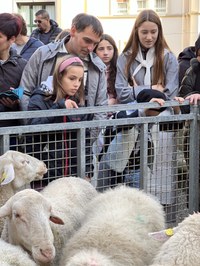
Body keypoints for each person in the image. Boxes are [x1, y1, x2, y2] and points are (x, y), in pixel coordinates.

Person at [114, 9, 179, 221]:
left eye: (153, 32)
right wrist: (150, 89)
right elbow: (121, 92)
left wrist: (144, 93)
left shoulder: (168, 58)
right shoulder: (125, 58)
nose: (149, 37)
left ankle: (160, 219)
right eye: (144, 32)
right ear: (136, 32)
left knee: (160, 174)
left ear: (159, 32)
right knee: (131, 170)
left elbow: (169, 92)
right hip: (133, 119)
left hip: (160, 122)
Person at [20, 13, 108, 130]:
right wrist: (35, 131)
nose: (91, 48)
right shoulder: (43, 54)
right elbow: (24, 92)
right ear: (73, 31)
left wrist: (86, 142)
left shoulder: (98, 66)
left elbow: (101, 108)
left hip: (79, 142)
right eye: (87, 41)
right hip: (43, 140)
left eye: (95, 43)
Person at [27, 56, 91, 179]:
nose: (77, 84)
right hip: (44, 176)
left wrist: (88, 170)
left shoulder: (78, 101)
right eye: (72, 78)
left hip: (73, 177)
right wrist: (59, 107)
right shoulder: (39, 98)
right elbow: (32, 129)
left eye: (80, 80)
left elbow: (85, 139)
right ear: (59, 76)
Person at [0, 12, 27, 127]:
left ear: (12, 39)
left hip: (10, 135)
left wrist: (15, 104)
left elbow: (27, 98)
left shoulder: (22, 66)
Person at [94, 34, 119, 106]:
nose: (105, 53)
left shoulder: (120, 69)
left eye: (109, 48)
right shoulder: (92, 71)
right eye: (101, 49)